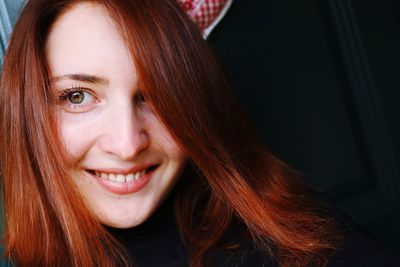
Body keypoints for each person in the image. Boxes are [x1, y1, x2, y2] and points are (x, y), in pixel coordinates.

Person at [0, 0, 398, 266]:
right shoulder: (36, 248)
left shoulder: (281, 243)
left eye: (155, 96)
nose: (126, 144)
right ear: (27, 111)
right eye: (77, 96)